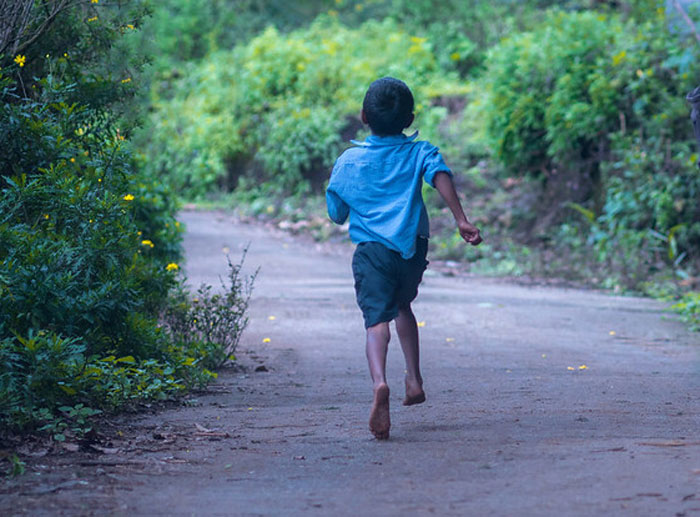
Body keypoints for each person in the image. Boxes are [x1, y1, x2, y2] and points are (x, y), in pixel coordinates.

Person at [326, 77, 482, 440]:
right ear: (410, 117)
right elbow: (439, 174)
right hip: (412, 251)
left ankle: (380, 383)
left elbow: (337, 213)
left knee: (375, 320)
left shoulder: (349, 161)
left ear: (364, 116)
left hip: (372, 253)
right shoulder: (420, 151)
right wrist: (460, 219)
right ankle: (413, 378)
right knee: (402, 306)